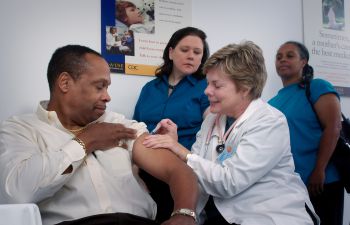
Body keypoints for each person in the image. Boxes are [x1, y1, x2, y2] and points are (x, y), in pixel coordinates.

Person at [0, 45, 199, 225]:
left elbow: (177, 170)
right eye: (99, 86)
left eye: (107, 87)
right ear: (65, 83)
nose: (107, 96)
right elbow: (17, 192)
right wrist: (86, 141)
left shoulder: (117, 124)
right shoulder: (21, 130)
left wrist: (184, 212)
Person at [141, 41, 319, 225]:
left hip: (270, 215)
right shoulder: (212, 119)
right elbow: (195, 171)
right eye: (208, 83)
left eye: (216, 85)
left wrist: (179, 150)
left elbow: (229, 182)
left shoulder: (270, 121)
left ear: (245, 87)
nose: (207, 91)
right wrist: (174, 145)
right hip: (220, 214)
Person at [132, 26, 210, 222]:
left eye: (197, 52)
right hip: (147, 167)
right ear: (171, 52)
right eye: (185, 50)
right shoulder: (150, 88)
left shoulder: (207, 88)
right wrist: (134, 169)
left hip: (186, 169)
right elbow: (136, 129)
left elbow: (212, 132)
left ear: (202, 58)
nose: (191, 56)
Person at [268, 41, 343, 225]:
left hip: (321, 182)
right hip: (289, 185)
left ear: (304, 62)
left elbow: (333, 127)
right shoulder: (272, 102)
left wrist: (319, 170)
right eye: (279, 57)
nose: (282, 59)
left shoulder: (317, 87)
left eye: (289, 55)